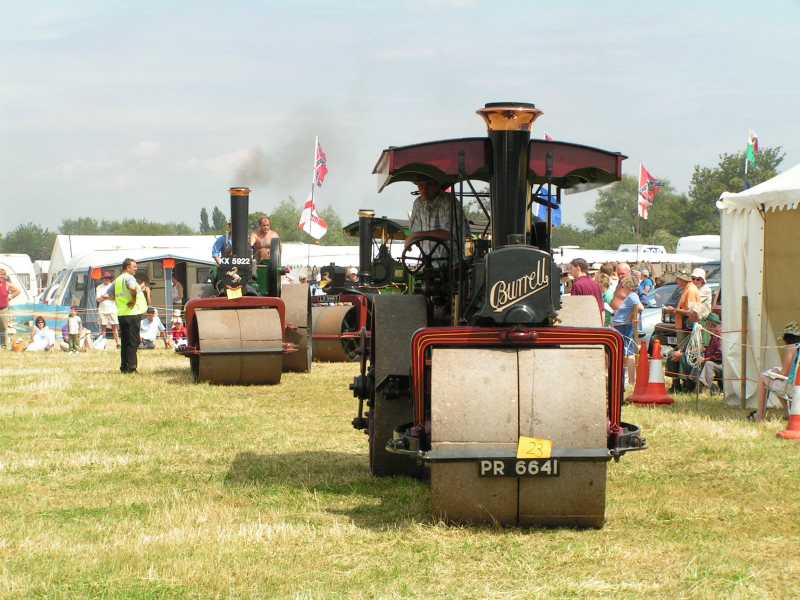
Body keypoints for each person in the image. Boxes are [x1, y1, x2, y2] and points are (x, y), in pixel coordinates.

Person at [407, 177, 469, 260]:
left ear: (437, 185)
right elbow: (415, 230)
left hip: (453, 264)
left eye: (429, 185)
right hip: (427, 262)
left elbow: (449, 234)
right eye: (420, 186)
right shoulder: (418, 204)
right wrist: (412, 239)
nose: (424, 190)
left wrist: (415, 235)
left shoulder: (449, 202)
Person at [752, 321, 800, 421]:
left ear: (787, 337)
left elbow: (785, 373)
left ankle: (759, 416)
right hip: (797, 385)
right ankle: (788, 414)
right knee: (776, 379)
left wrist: (773, 373)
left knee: (763, 378)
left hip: (792, 388)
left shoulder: (791, 348)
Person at [107, 258, 148, 373]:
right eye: (134, 266)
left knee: (125, 342)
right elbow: (132, 289)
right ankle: (131, 368)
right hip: (132, 313)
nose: (136, 268)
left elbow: (109, 295)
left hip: (122, 314)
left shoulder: (118, 279)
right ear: (127, 267)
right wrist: (133, 300)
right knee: (133, 342)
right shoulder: (129, 278)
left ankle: (124, 367)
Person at [611, 276, 644, 386]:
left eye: (624, 285)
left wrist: (631, 316)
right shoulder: (630, 296)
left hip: (623, 325)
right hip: (621, 324)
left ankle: (630, 379)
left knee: (628, 352)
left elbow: (640, 308)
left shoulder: (632, 295)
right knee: (626, 351)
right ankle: (629, 379)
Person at [697, 313, 723, 394]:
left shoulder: (719, 335)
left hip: (723, 364)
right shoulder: (714, 335)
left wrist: (705, 359)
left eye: (707, 324)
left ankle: (707, 388)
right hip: (717, 362)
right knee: (699, 362)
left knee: (708, 364)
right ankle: (694, 385)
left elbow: (719, 355)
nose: (706, 326)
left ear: (711, 324)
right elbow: (712, 351)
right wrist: (703, 350)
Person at [96, 272, 120, 348]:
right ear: (103, 279)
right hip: (102, 310)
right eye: (105, 278)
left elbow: (116, 298)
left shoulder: (113, 286)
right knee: (103, 328)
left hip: (112, 310)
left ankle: (118, 343)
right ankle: (103, 345)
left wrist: (104, 297)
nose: (106, 279)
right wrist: (107, 297)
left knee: (114, 328)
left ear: (110, 279)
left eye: (108, 278)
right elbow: (98, 299)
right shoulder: (99, 287)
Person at [0, 268, 21, 350]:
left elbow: (18, 291)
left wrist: (10, 297)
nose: (0, 276)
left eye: (2, 275)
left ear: (5, 276)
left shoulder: (8, 284)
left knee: (3, 328)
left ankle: (3, 346)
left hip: (4, 309)